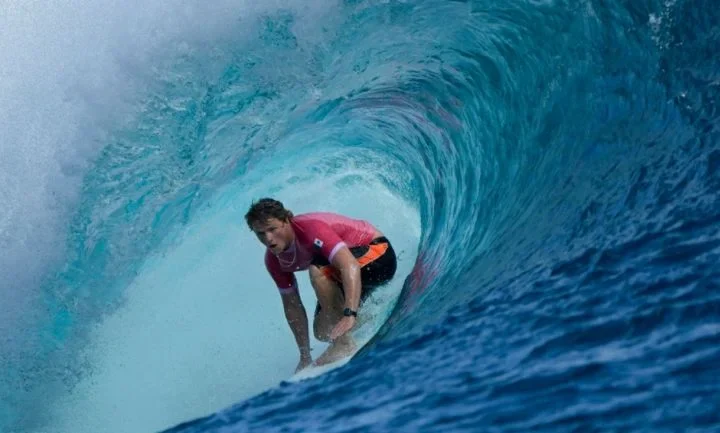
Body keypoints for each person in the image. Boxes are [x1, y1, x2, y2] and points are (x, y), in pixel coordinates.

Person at [245, 198, 397, 372]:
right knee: (323, 331)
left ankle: (344, 343)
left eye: (272, 229)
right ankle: (371, 318)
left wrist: (349, 314)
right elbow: (292, 305)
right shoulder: (273, 261)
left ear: (286, 220)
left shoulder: (310, 229)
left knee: (317, 269)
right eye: (260, 234)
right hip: (349, 274)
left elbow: (349, 265)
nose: (268, 238)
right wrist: (304, 355)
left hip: (379, 255)